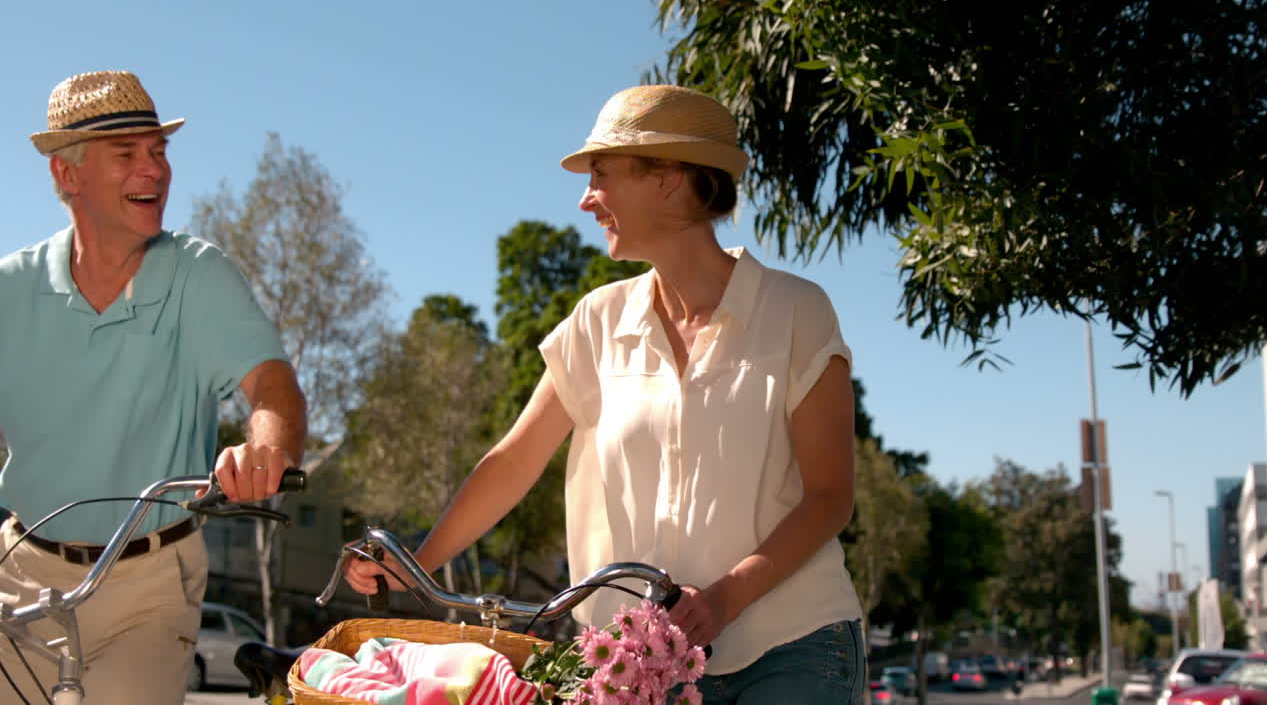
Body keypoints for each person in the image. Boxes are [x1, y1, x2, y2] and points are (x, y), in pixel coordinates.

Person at [345, 84, 866, 703]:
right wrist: (418, 563)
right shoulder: (596, 322)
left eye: (601, 175)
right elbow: (514, 461)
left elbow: (830, 498)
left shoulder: (795, 312)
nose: (587, 200)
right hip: (640, 663)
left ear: (670, 177)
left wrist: (727, 597)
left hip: (792, 647)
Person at [0, 71, 306, 705]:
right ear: (67, 175)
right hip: (20, 573)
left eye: (159, 151)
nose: (156, 171)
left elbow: (273, 386)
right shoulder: (11, 289)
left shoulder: (199, 275)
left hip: (149, 582)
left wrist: (265, 451)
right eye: (127, 154)